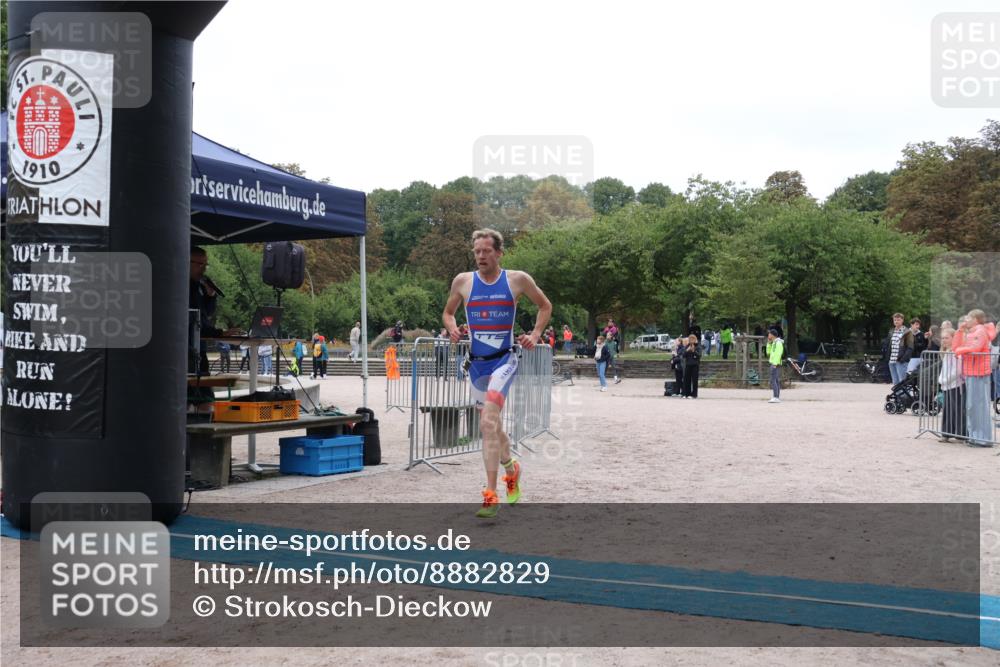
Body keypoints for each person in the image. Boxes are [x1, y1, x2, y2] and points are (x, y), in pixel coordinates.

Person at [443, 228, 552, 518]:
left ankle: (491, 494)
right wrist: (452, 327)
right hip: (476, 363)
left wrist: (536, 333)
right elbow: (448, 312)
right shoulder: (463, 282)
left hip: (504, 360)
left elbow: (544, 305)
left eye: (486, 251)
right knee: (492, 426)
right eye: (477, 251)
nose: (480, 256)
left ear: (499, 253)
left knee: (487, 422)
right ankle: (511, 467)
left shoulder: (517, 280)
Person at [952, 309, 997, 447]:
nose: (966, 320)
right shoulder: (972, 332)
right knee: (973, 406)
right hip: (972, 372)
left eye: (969, 318)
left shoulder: (980, 331)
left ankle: (982, 439)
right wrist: (959, 331)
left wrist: (960, 350)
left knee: (978, 406)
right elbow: (956, 346)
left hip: (979, 373)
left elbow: (974, 347)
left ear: (976, 319)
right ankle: (976, 437)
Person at [937, 327, 965, 443]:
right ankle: (946, 433)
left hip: (956, 385)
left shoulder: (956, 352)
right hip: (946, 385)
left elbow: (958, 370)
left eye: (946, 338)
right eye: (942, 338)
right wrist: (941, 379)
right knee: (947, 409)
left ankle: (960, 434)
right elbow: (945, 368)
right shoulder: (946, 351)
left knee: (957, 410)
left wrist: (945, 380)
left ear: (953, 338)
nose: (944, 340)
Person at [887, 313, 914, 386]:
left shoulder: (907, 332)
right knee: (895, 382)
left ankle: (904, 397)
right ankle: (897, 397)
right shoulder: (891, 331)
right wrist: (888, 357)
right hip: (891, 360)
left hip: (901, 360)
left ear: (902, 320)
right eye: (895, 320)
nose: (896, 321)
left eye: (898, 320)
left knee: (902, 381)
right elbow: (889, 345)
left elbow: (910, 348)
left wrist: (903, 359)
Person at [766, 328, 784, 403]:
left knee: (773, 380)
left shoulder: (778, 343)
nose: (768, 335)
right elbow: (768, 353)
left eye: (769, 334)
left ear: (772, 335)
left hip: (775, 364)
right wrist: (769, 344)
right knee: (775, 380)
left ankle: (776, 397)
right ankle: (776, 397)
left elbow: (778, 354)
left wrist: (775, 364)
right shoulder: (773, 343)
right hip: (773, 363)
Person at [681, 334, 701, 398]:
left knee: (694, 380)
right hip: (688, 365)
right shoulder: (687, 346)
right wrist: (687, 350)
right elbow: (683, 355)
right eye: (690, 339)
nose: (691, 340)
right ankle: (686, 393)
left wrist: (694, 351)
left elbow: (699, 356)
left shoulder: (698, 346)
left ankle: (694, 394)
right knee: (687, 379)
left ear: (695, 340)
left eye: (692, 339)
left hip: (695, 365)